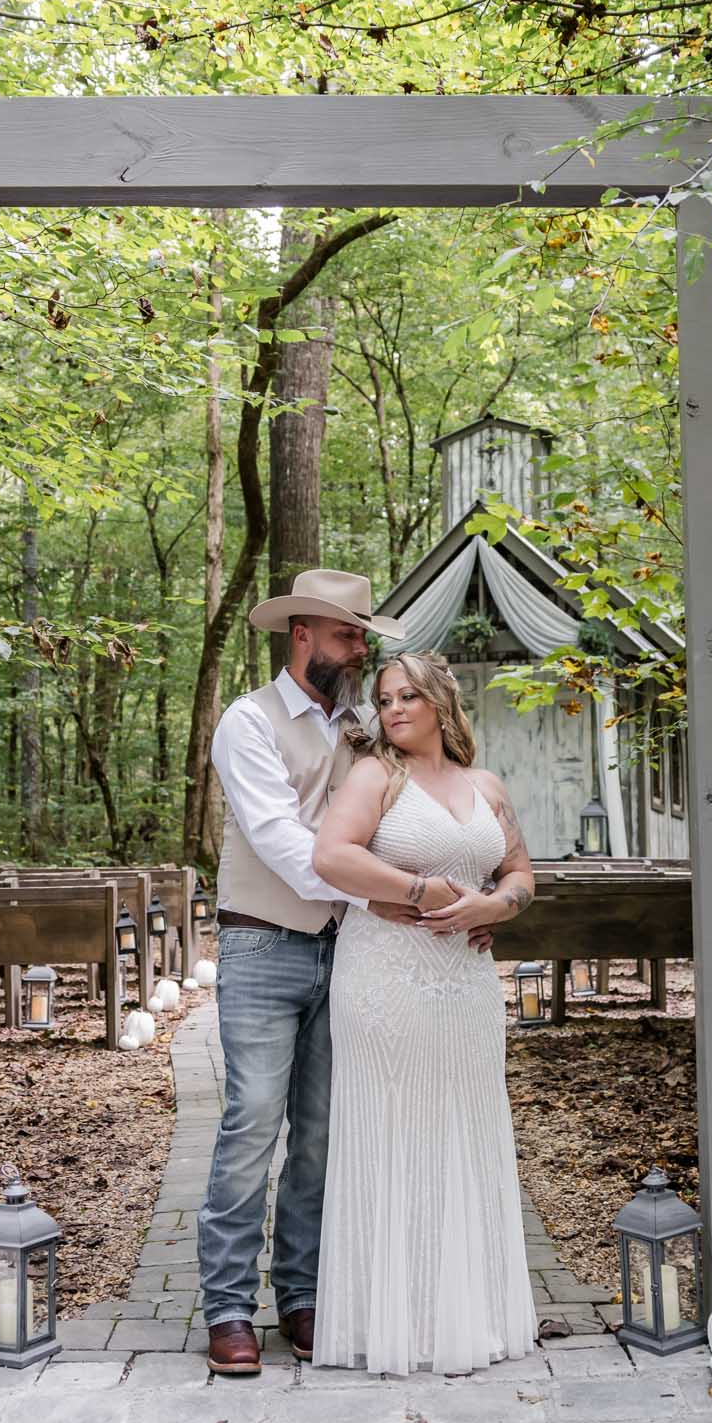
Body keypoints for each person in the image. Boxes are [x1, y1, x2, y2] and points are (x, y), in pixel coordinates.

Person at [197, 568, 414, 1379]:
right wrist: (386, 892)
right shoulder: (246, 723)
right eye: (349, 634)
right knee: (252, 1123)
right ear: (303, 636)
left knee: (321, 1134)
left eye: (362, 635)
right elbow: (287, 844)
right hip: (262, 946)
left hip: (347, 948)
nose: (360, 648)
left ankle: (302, 1295)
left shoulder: (362, 725)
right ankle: (226, 1306)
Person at [308, 649, 538, 1375]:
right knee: (394, 1130)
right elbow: (329, 856)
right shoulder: (377, 775)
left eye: (408, 695)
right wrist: (421, 890)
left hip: (466, 986)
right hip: (387, 978)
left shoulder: (486, 784)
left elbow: (521, 873)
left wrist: (494, 903)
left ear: (441, 701)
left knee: (464, 1130)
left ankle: (470, 1315)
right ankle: (393, 1321)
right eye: (384, 698)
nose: (394, 708)